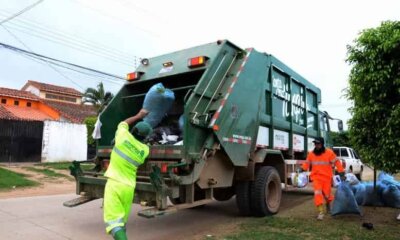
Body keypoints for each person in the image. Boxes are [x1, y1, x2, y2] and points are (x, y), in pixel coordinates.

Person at [103, 111, 152, 240]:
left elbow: (124, 123)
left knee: (114, 223)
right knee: (122, 222)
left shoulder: (122, 136)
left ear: (134, 130)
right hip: (129, 188)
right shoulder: (144, 150)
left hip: (114, 184)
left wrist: (138, 116)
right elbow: (146, 144)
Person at [300, 137, 345, 220]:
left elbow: (336, 161)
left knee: (327, 195)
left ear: (322, 144)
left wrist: (341, 171)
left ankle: (328, 205)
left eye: (318, 144)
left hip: (327, 177)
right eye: (315, 144)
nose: (316, 145)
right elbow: (307, 163)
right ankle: (320, 212)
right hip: (316, 177)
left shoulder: (329, 153)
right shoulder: (311, 154)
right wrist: (302, 168)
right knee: (318, 193)